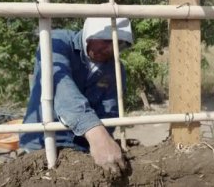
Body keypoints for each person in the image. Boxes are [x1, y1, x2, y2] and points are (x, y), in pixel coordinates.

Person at [19, 17, 133, 174]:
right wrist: (95, 133)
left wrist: (105, 141)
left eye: (118, 43)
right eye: (106, 40)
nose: (110, 48)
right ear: (89, 33)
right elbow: (62, 87)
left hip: (82, 148)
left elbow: (110, 110)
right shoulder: (56, 42)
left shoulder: (115, 69)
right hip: (41, 143)